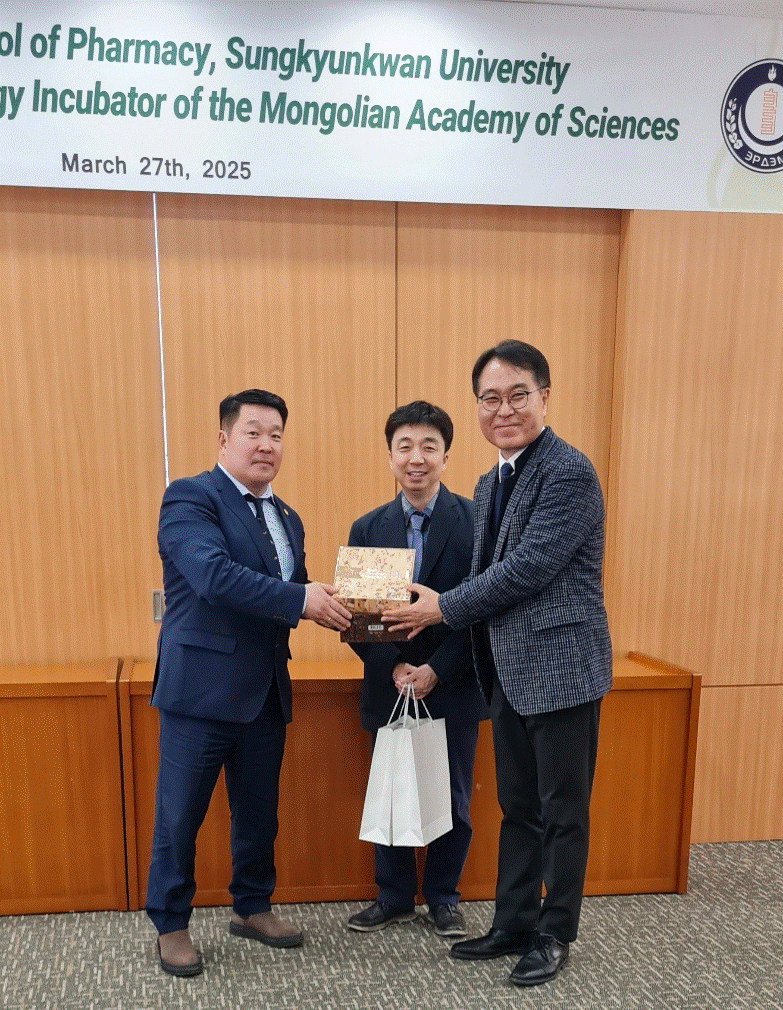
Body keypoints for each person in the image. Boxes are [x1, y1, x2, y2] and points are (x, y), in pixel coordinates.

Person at [384, 343, 612, 986]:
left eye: (518, 395)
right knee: (518, 807)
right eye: (490, 398)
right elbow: (487, 575)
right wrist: (445, 606)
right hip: (505, 670)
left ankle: (554, 932)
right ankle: (513, 921)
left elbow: (527, 569)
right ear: (478, 407)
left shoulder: (568, 472)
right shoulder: (491, 482)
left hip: (563, 669)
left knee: (563, 812)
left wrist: (441, 608)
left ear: (545, 397)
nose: (503, 410)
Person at [145, 388, 351, 977]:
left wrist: (357, 611)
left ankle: (253, 906)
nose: (266, 445)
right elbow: (214, 576)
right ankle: (171, 923)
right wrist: (303, 599)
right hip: (199, 693)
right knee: (179, 817)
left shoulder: (288, 517)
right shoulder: (190, 497)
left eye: (276, 435)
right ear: (224, 439)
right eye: (253, 432)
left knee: (259, 813)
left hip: (264, 692)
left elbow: (297, 593)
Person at [346, 401, 488, 938]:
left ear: (446, 456)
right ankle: (393, 896)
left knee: (452, 794)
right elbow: (360, 619)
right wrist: (397, 666)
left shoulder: (476, 523)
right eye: (404, 446)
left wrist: (435, 669)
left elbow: (484, 610)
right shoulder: (369, 527)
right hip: (392, 683)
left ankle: (444, 897)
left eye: (429, 446)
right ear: (390, 457)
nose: (416, 458)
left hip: (454, 682)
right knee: (392, 788)